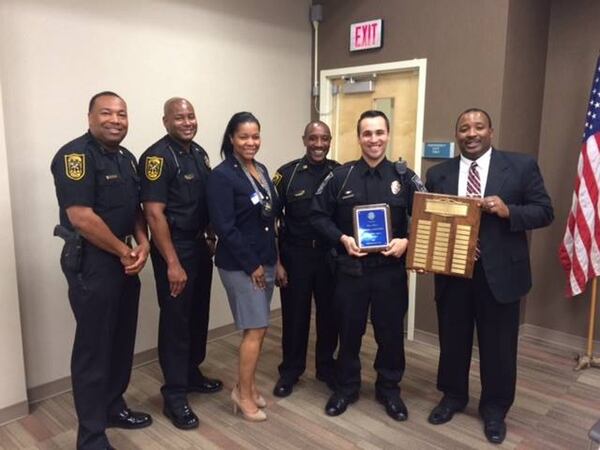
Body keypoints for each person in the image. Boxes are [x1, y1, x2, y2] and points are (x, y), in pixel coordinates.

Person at [424, 108, 553, 444]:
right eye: (464, 128)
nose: (471, 133)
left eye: (478, 127)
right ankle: (453, 396)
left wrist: (508, 210)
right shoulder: (438, 173)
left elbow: (545, 211)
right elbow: (429, 220)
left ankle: (495, 409)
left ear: (490, 131)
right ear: (457, 134)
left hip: (500, 276)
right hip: (453, 274)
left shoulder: (521, 166)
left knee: (498, 348)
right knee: (453, 342)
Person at [51, 91, 152, 450]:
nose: (116, 120)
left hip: (125, 259)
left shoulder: (126, 158)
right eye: (107, 113)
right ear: (90, 116)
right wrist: (126, 251)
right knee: (94, 349)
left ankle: (113, 406)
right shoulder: (75, 156)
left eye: (122, 114)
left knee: (121, 342)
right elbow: (81, 217)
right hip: (92, 262)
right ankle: (91, 436)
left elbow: (136, 210)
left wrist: (143, 244)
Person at [311, 110, 425, 421]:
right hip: (351, 272)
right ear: (358, 137)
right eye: (367, 133)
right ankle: (346, 388)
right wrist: (342, 239)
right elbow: (317, 216)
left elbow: (428, 218)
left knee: (390, 335)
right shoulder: (340, 176)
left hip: (390, 273)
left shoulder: (405, 177)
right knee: (349, 333)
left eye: (379, 133)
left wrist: (407, 242)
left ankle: (389, 389)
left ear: (388, 135)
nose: (373, 139)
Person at [139, 98, 222, 430]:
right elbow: (153, 213)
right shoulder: (157, 158)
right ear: (165, 121)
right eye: (179, 117)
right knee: (175, 321)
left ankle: (191, 373)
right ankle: (174, 395)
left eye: (191, 116)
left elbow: (207, 201)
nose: (187, 122)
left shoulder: (199, 153)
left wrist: (212, 235)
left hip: (199, 245)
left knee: (197, 314)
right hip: (175, 248)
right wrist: (172, 262)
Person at [206, 112, 279, 422]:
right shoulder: (222, 176)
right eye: (244, 137)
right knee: (256, 328)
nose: (251, 142)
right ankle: (243, 395)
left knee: (258, 330)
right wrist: (252, 265)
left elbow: (268, 220)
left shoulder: (260, 169)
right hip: (240, 264)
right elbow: (224, 226)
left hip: (265, 259)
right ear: (231, 139)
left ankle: (245, 385)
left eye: (255, 136)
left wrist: (275, 260)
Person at [271, 121, 340, 397]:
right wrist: (276, 262)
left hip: (330, 257)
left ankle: (326, 367)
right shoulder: (285, 175)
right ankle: (290, 370)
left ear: (330, 140)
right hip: (296, 256)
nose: (319, 144)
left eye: (324, 138)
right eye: (313, 138)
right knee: (295, 316)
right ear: (304, 140)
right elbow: (271, 221)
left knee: (330, 316)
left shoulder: (340, 173)